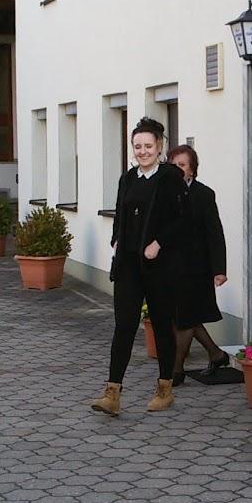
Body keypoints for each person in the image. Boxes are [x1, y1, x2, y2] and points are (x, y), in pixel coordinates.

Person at [91, 117, 187, 416]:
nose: (142, 151)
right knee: (124, 325)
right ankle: (112, 393)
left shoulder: (170, 177)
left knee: (161, 325)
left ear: (159, 146)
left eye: (148, 146)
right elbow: (120, 214)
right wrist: (116, 240)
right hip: (129, 264)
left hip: (159, 265)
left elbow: (182, 219)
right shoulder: (128, 178)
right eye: (137, 146)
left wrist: (159, 243)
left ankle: (165, 388)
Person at [166, 144, 230, 384]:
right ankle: (216, 354)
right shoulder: (163, 193)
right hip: (170, 267)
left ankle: (176, 370)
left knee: (185, 318)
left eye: (182, 165)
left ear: (192, 169)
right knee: (184, 316)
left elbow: (215, 233)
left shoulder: (204, 194)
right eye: (173, 165)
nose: (177, 169)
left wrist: (219, 269)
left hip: (196, 269)